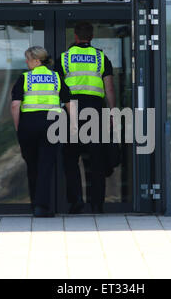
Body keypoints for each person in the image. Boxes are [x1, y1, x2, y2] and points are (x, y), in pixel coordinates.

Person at [56, 21, 116, 214]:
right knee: (97, 157)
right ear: (91, 37)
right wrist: (113, 111)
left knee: (71, 158)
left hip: (70, 110)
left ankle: (75, 202)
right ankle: (97, 203)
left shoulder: (64, 58)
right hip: (95, 110)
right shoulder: (100, 57)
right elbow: (109, 88)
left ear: (75, 36)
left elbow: (56, 88)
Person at [11, 46, 74, 217]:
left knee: (32, 166)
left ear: (37, 61)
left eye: (28, 59)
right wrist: (72, 125)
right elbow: (69, 103)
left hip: (29, 124)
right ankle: (42, 207)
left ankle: (35, 204)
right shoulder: (56, 77)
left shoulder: (24, 78)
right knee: (46, 166)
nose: (26, 62)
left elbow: (16, 105)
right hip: (53, 125)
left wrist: (18, 126)